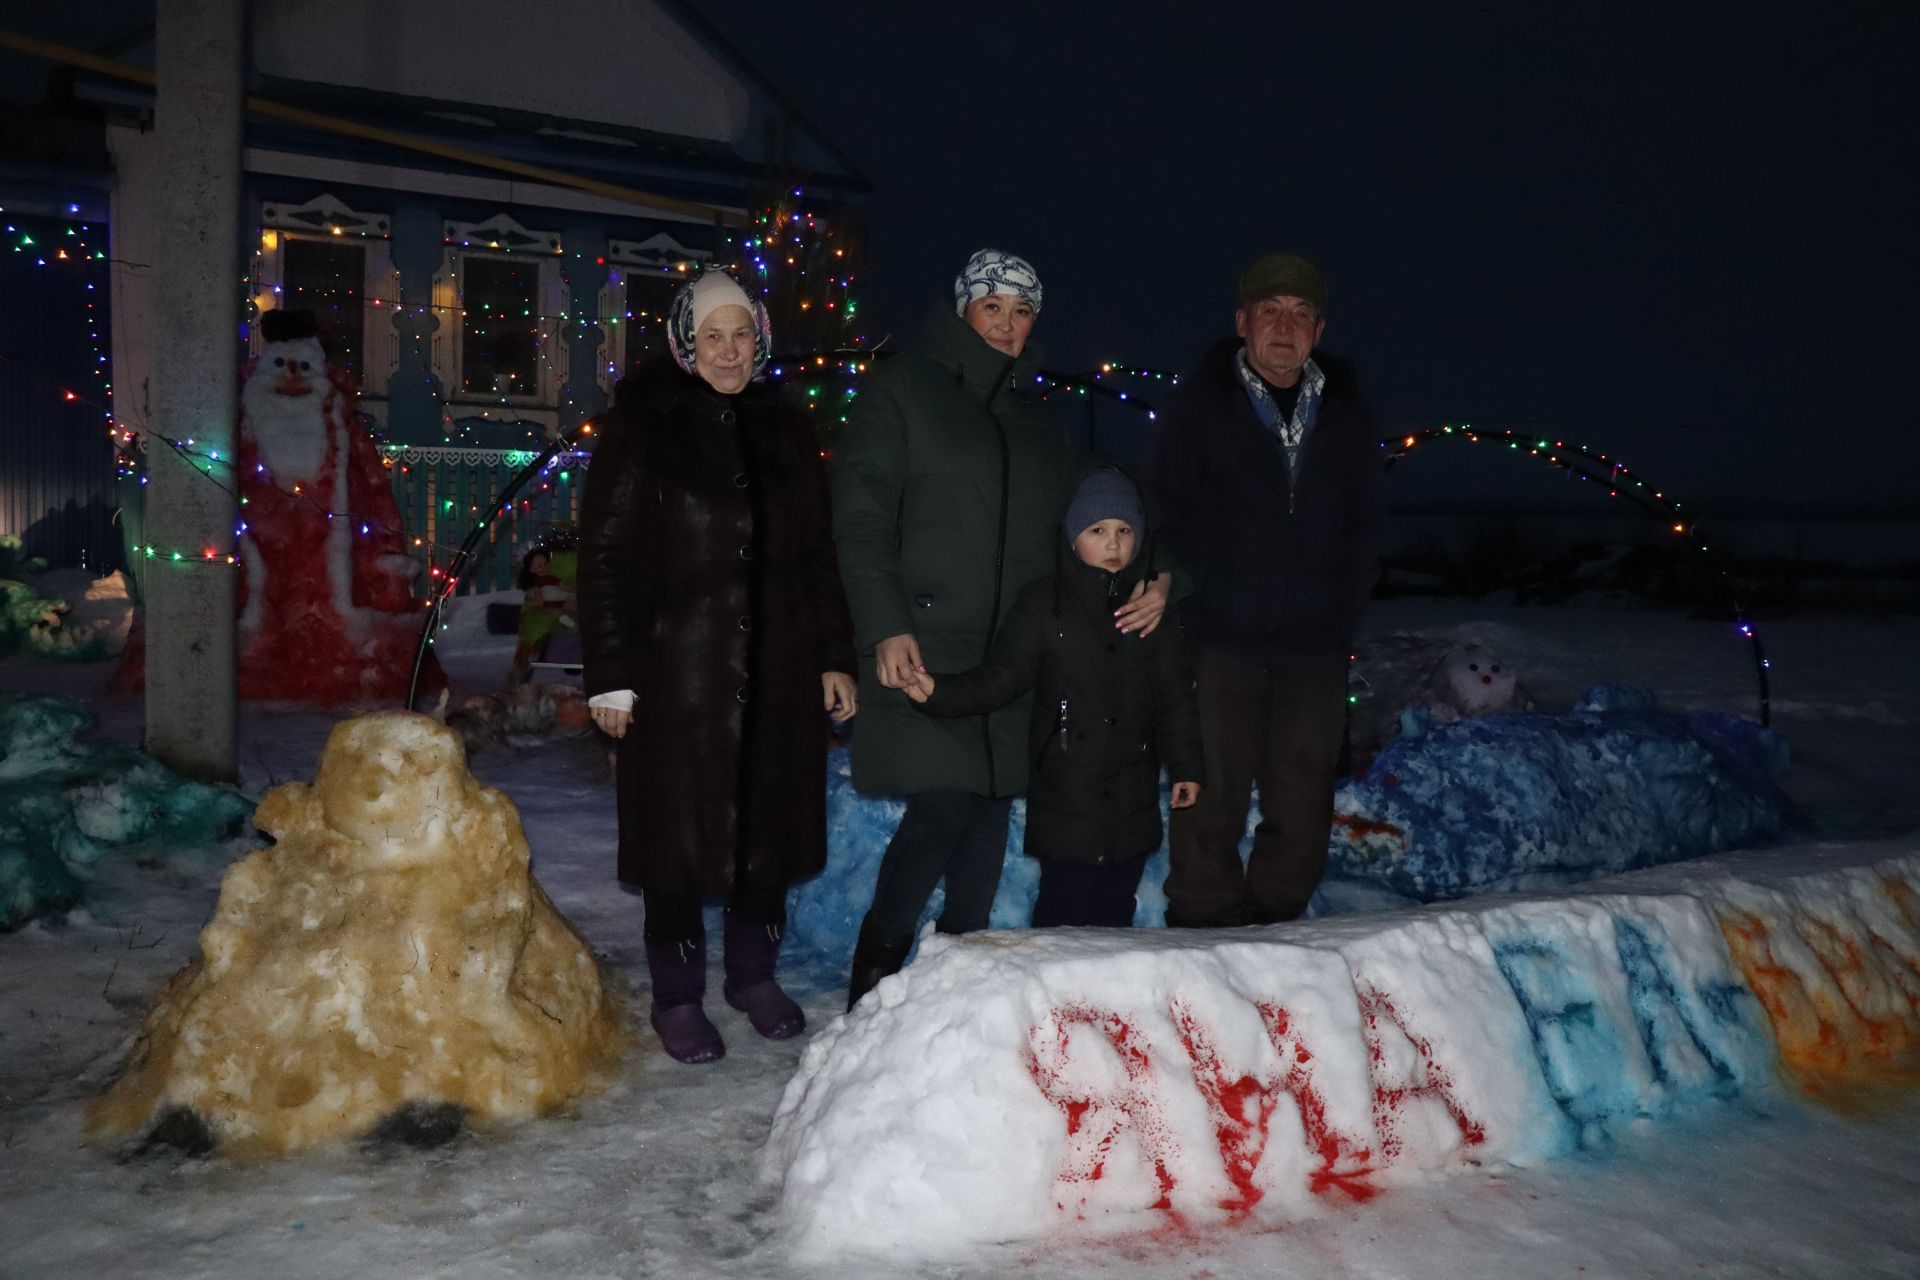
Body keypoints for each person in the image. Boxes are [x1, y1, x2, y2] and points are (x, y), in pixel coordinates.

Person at [833, 249, 1172, 1008]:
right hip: (924, 643)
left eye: (1023, 312)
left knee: (984, 820)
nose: (1009, 325)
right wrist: (884, 625)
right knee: (942, 810)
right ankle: (870, 989)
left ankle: (955, 995)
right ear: (963, 310)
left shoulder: (1037, 419)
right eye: (995, 308)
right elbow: (859, 519)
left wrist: (1162, 569)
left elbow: (1103, 513)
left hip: (1013, 657)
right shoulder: (903, 391)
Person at [577, 269, 857, 1064]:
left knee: (765, 832)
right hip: (675, 677)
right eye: (711, 336)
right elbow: (601, 558)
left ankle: (752, 976)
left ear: (759, 339)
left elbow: (817, 557)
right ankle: (676, 995)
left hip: (777, 671)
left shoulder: (787, 430)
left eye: (741, 335)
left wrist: (834, 655)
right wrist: (610, 673)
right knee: (676, 842)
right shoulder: (640, 427)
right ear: (683, 343)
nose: (729, 351)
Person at [1144, 253, 1385, 927]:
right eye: (1271, 311)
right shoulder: (1198, 407)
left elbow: (1366, 519)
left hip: (1314, 640)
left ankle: (1278, 922)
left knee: (1303, 792)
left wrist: (1342, 608)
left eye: (1301, 314)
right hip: (1220, 638)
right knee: (1210, 790)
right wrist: (1186, 603)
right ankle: (1201, 918)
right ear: (1243, 322)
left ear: (1319, 330)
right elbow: (1161, 509)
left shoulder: (1346, 412)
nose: (1286, 326)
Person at [903, 462, 1204, 927]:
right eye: (1097, 529)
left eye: (1125, 530)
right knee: (1061, 910)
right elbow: (1001, 677)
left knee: (1115, 911)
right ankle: (1054, 1000)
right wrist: (937, 692)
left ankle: (1111, 1001)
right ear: (1071, 535)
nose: (1112, 542)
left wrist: (1187, 766)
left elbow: (1176, 695)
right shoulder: (1043, 604)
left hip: (1132, 795)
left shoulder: (1149, 611)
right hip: (1066, 792)